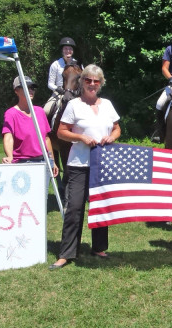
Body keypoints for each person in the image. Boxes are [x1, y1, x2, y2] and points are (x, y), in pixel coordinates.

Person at [49, 64, 121, 270]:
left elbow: (117, 128)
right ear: (81, 82)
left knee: (100, 207)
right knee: (74, 208)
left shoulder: (107, 104)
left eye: (96, 81)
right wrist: (80, 137)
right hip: (78, 164)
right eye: (88, 80)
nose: (92, 84)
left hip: (102, 164)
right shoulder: (73, 105)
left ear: (101, 83)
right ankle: (66, 253)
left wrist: (111, 137)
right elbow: (62, 132)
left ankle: (99, 248)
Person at [2, 76, 59, 178]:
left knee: (42, 194)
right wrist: (10, 156)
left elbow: (46, 138)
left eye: (32, 88)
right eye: (26, 87)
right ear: (16, 91)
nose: (31, 90)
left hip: (43, 161)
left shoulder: (40, 112)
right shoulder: (11, 114)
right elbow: (8, 137)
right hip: (22, 162)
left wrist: (52, 161)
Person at [44, 37, 79, 116]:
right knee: (45, 110)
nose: (68, 51)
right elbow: (50, 83)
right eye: (65, 49)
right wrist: (57, 89)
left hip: (74, 93)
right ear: (62, 50)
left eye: (70, 49)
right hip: (59, 93)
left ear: (72, 51)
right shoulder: (55, 64)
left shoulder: (78, 64)